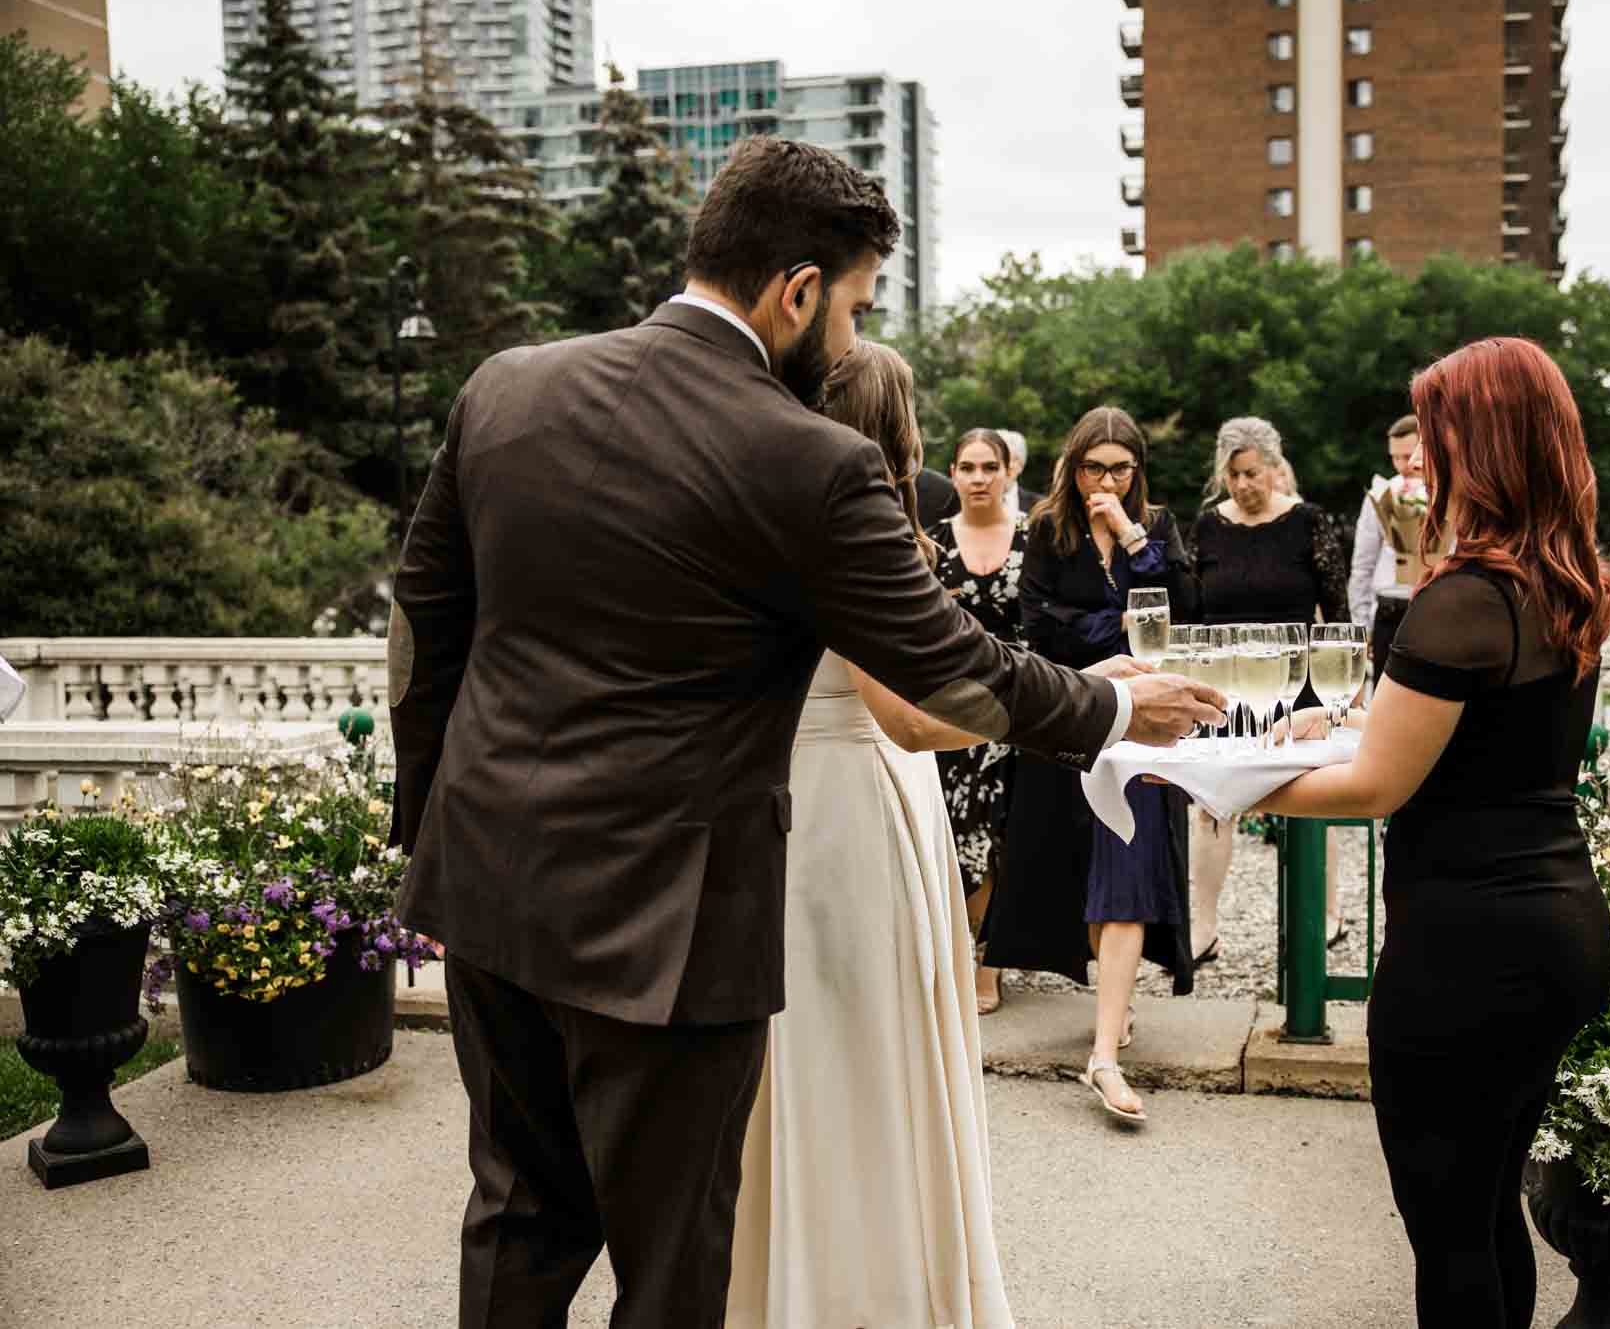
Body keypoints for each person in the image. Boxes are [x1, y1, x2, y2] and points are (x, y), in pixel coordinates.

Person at [388, 135, 1224, 1329]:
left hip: (487, 882)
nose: (847, 339)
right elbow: (950, 665)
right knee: (674, 1262)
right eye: (852, 307)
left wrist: (427, 826)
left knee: (518, 1217)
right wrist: (1107, 703)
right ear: (793, 290)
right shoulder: (807, 460)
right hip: (670, 919)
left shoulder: (506, 386)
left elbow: (425, 629)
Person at [1256, 337, 1610, 1328]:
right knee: (1485, 1206)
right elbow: (1452, 735)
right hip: (1556, 926)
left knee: (1446, 1226)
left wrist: (1235, 784)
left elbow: (1377, 783)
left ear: (1483, 447)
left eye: (1437, 435)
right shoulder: (1559, 581)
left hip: (1469, 947)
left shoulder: (1462, 601)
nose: (1419, 459)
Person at [728, 343, 1014, 1327]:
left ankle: (785, 1280)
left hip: (797, 793)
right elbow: (909, 710)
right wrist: (1079, 713)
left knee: (807, 1055)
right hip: (853, 804)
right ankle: (867, 1292)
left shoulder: (757, 509)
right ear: (893, 425)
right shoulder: (847, 527)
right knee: (858, 1055)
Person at [985, 406, 1198, 1127]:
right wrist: (1118, 634)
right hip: (1072, 718)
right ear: (1072, 466)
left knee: (1128, 869)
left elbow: (1180, 611)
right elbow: (1040, 627)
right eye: (1092, 467)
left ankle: (1103, 1049)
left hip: (1146, 725)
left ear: (1137, 471)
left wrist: (1136, 543)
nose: (1104, 480)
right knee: (1082, 867)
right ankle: (1114, 1000)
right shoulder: (1047, 529)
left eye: (1119, 468)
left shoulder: (1158, 528)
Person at [1186, 418, 1351, 961]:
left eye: (1252, 473)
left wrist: (1343, 692)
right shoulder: (1208, 527)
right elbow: (1191, 610)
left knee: (1312, 796)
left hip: (1298, 685)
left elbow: (1339, 613)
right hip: (1226, 685)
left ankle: (1325, 914)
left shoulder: (1308, 522)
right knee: (1211, 803)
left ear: (1275, 469)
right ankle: (1202, 926)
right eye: (1232, 474)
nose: (1242, 485)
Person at [928, 428, 1030, 1016]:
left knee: (1002, 842)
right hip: (949, 708)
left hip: (1016, 706)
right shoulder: (934, 542)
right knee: (956, 837)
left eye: (989, 466)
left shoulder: (1031, 541)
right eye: (967, 467)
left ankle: (989, 966)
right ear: (954, 472)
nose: (978, 477)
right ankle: (960, 956)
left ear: (1007, 473)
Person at [1347, 414, 1425, 686]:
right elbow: (1363, 564)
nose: (1403, 465)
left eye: (1408, 455)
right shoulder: (1381, 494)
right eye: (1395, 458)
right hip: (1389, 613)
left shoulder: (1451, 493)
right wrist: (1361, 625)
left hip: (1432, 609)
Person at [997, 428, 1043, 517]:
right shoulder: (966, 502)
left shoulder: (1039, 506)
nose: (1001, 466)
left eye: (1007, 459)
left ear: (1020, 465)